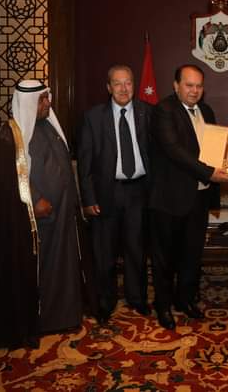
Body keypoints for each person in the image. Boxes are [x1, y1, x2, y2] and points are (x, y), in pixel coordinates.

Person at [0, 80, 86, 349]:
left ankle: (62, 316)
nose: (48, 103)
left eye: (47, 98)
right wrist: (35, 199)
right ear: (27, 103)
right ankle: (40, 319)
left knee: (62, 266)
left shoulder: (49, 125)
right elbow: (7, 179)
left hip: (62, 215)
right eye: (42, 100)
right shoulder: (9, 135)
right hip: (34, 219)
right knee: (41, 269)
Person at [149, 64, 228, 330]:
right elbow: (175, 151)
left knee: (191, 254)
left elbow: (213, 146)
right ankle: (163, 305)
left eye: (199, 86)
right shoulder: (163, 110)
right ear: (176, 86)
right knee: (165, 258)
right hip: (169, 198)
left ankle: (184, 299)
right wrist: (210, 173)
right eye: (189, 85)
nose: (194, 90)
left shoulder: (206, 111)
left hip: (199, 197)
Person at [78, 65, 152, 323]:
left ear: (134, 85)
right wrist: (88, 199)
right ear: (108, 87)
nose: (123, 88)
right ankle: (105, 302)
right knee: (104, 253)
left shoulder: (147, 112)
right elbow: (85, 162)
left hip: (139, 192)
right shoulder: (93, 117)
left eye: (128, 83)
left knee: (136, 250)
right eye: (117, 83)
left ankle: (137, 298)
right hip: (106, 193)